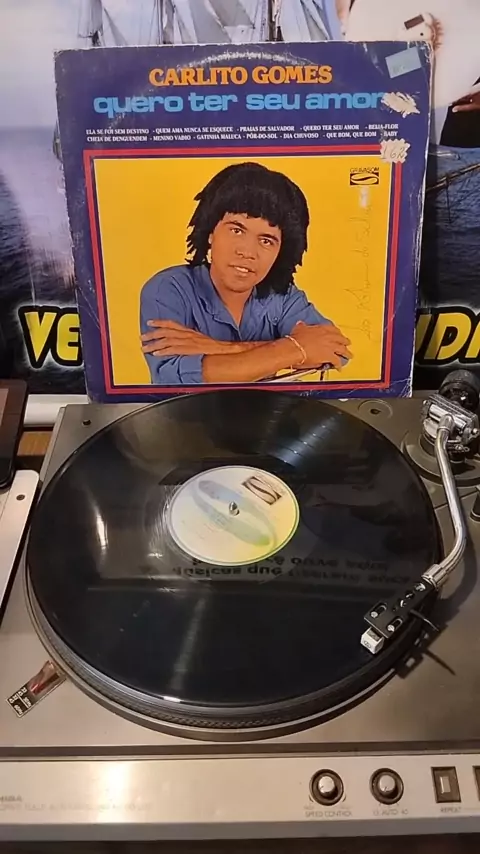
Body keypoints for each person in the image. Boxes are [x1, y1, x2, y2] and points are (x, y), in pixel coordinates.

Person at [140, 161, 352, 385]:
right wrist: (294, 348)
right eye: (237, 230)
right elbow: (173, 378)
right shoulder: (168, 289)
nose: (248, 252)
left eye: (266, 240)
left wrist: (219, 348)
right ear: (211, 231)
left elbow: (336, 350)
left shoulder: (282, 296)